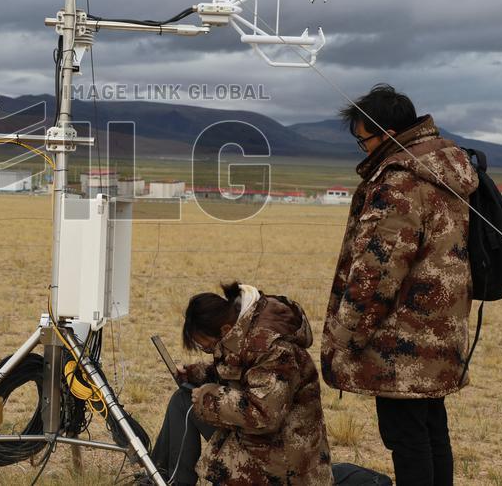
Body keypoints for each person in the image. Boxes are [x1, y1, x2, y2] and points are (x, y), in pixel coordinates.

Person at [321, 84, 478, 486]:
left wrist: (347, 332)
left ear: (388, 133)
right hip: (442, 326)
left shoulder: (401, 183)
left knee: (406, 439)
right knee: (430, 430)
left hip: (401, 338)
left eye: (364, 139)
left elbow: (377, 270)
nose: (363, 148)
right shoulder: (448, 168)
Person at [149, 282, 333, 485]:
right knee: (183, 400)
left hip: (285, 457)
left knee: (191, 403)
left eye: (208, 345)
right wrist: (197, 374)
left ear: (225, 330)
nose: (210, 350)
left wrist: (210, 397)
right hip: (262, 441)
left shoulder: (273, 349)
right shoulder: (243, 327)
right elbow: (240, 371)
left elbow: (264, 415)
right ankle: (163, 478)